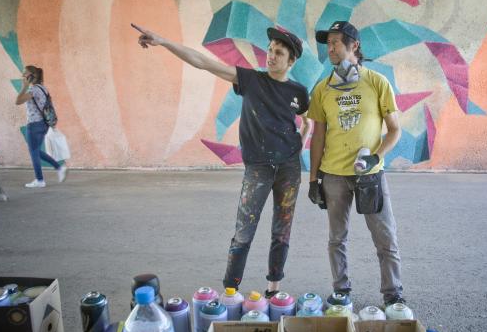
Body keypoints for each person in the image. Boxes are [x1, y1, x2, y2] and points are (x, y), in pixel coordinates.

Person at [134, 23, 310, 298]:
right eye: (270, 50)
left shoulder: (298, 92)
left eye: (278, 53)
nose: (271, 56)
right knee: (244, 230)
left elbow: (308, 121)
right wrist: (164, 41)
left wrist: (300, 141)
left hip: (289, 168)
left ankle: (274, 289)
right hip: (259, 168)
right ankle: (231, 291)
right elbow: (203, 62)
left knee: (282, 229)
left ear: (292, 60)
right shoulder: (251, 80)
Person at [306, 20, 405, 306]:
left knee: (385, 239)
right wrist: (313, 179)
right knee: (337, 239)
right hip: (334, 175)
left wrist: (377, 156)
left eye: (336, 42)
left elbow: (395, 129)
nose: (331, 48)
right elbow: (317, 137)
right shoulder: (323, 90)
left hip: (370, 174)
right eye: (329, 43)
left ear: (354, 46)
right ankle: (341, 290)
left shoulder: (376, 82)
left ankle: (393, 294)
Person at [15, 65, 67, 188]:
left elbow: (17, 101)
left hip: (34, 124)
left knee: (34, 152)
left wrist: (24, 87)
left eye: (25, 74)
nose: (23, 76)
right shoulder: (43, 88)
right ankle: (59, 168)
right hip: (44, 124)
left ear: (33, 76)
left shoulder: (33, 90)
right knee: (36, 151)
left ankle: (40, 180)